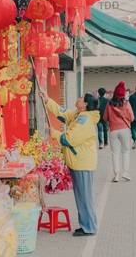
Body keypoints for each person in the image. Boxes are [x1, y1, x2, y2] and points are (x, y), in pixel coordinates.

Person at [38, 90, 99, 237]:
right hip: (79, 162)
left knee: (85, 197)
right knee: (82, 196)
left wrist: (54, 133)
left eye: (80, 98)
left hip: (83, 163)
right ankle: (86, 225)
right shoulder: (79, 116)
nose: (77, 99)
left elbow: (69, 139)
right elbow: (63, 113)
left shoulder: (84, 120)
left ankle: (89, 227)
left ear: (85, 104)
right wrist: (47, 100)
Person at [103, 81, 134, 182]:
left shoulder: (109, 104)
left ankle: (116, 174)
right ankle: (125, 172)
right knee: (125, 151)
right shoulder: (127, 104)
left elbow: (105, 118)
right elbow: (132, 118)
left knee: (115, 153)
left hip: (113, 130)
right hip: (124, 129)